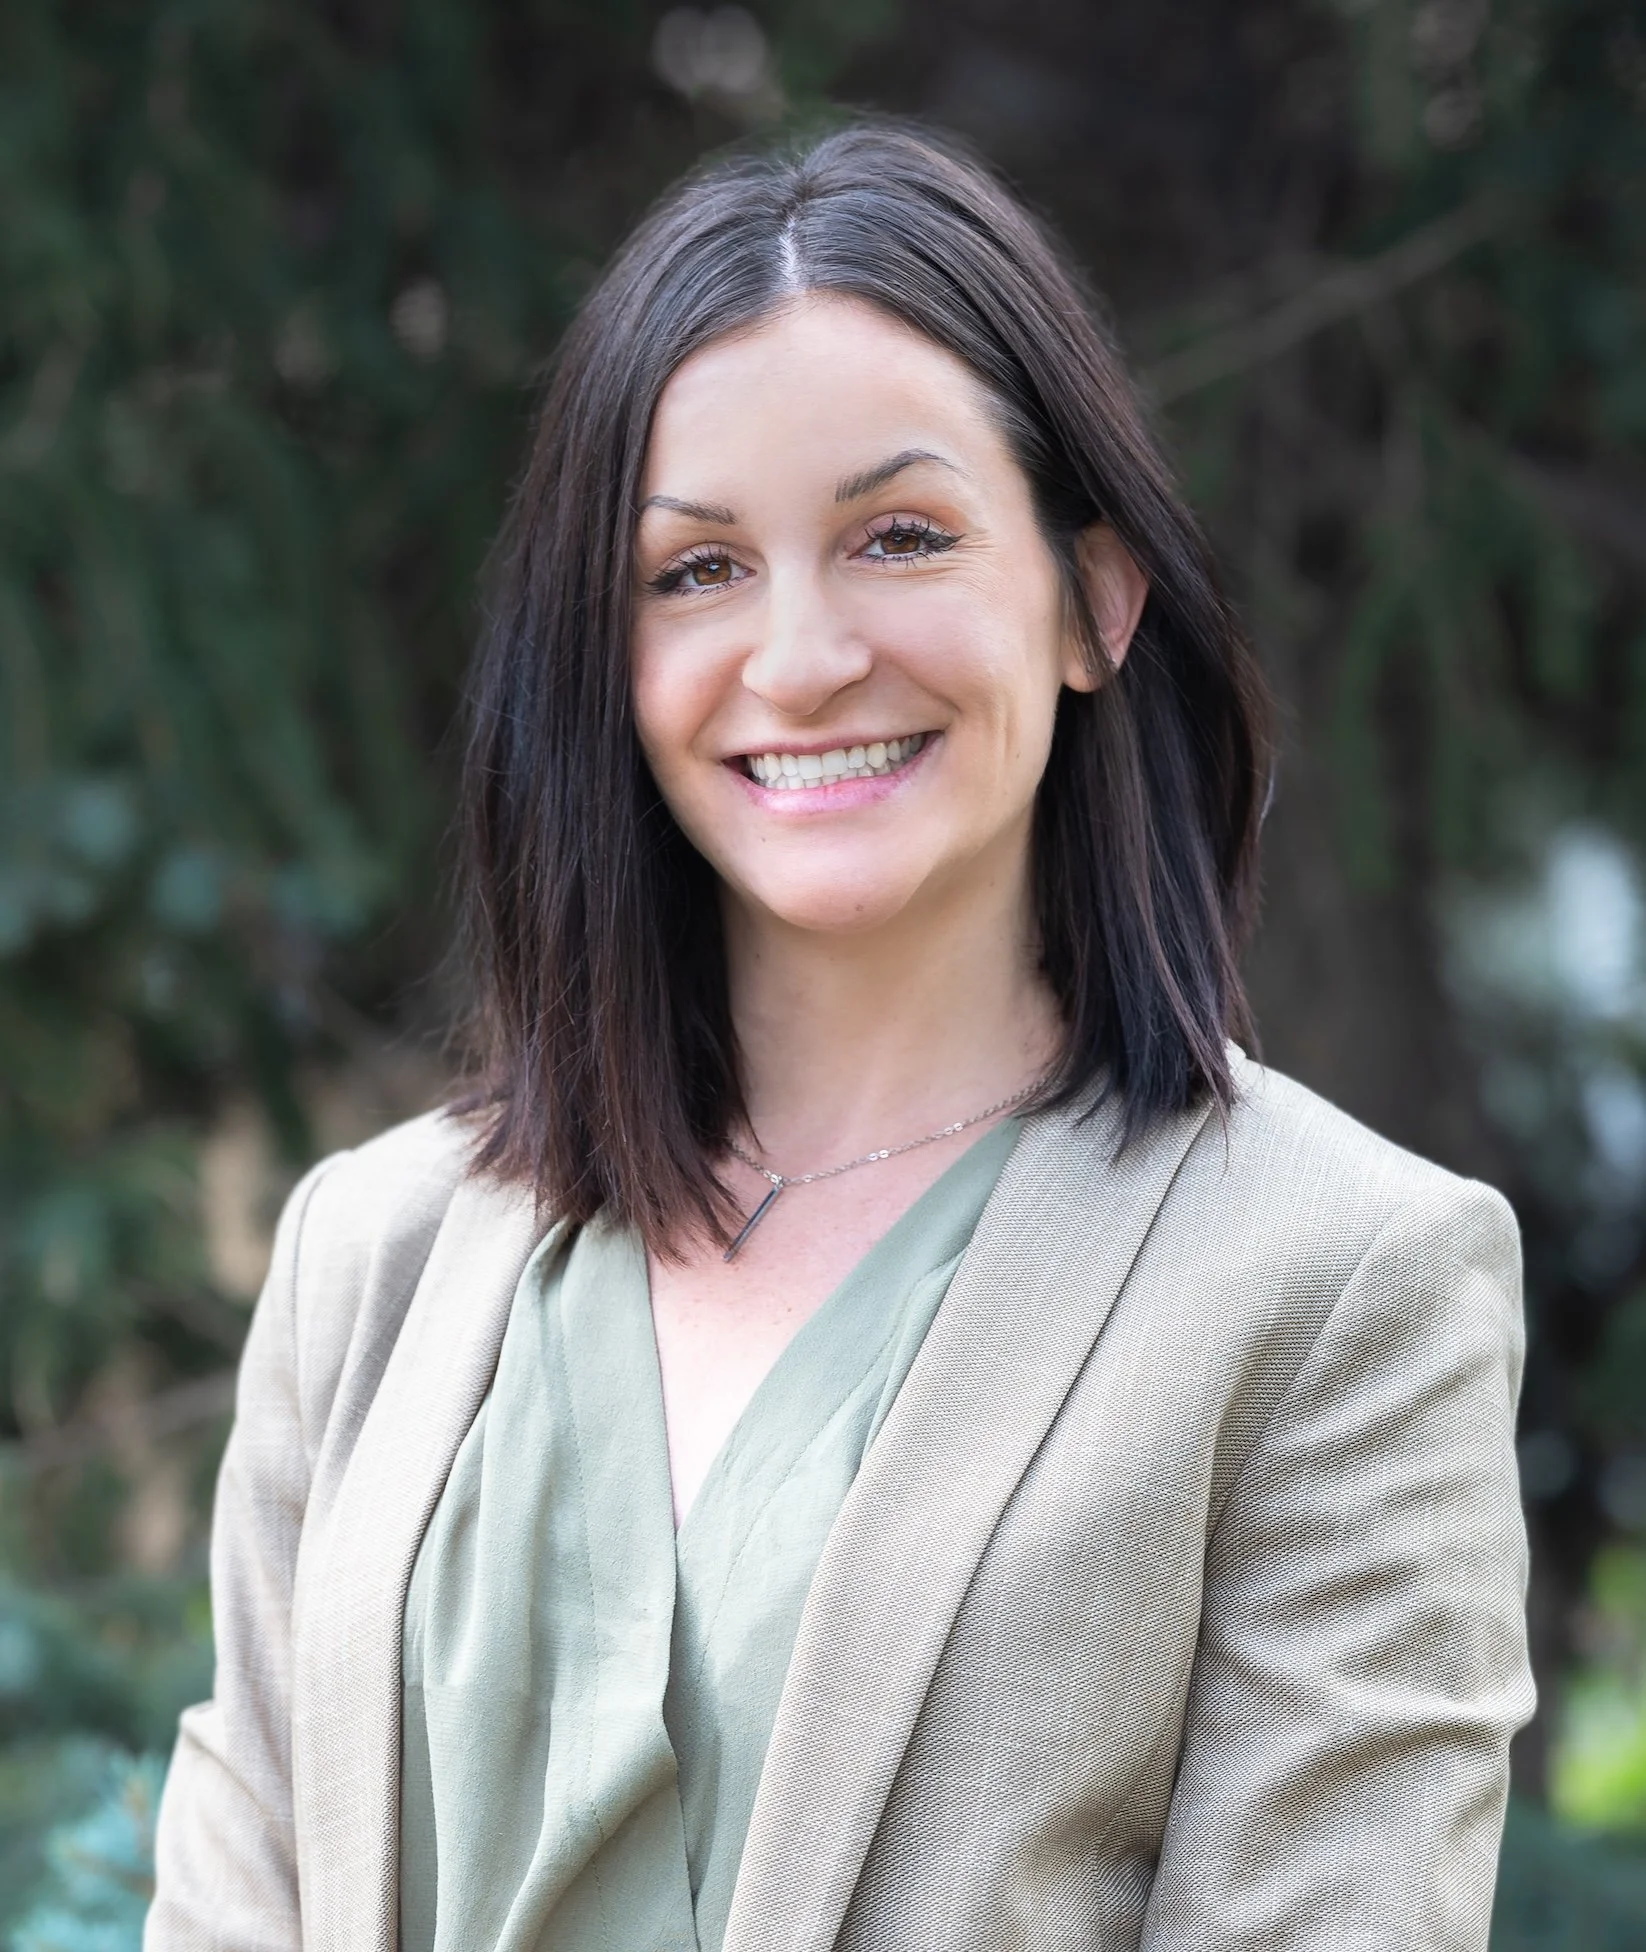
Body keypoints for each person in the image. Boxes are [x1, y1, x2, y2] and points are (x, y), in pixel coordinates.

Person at [146, 123, 1534, 1952]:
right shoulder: (371, 1260)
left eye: (898, 537)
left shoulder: (1338, 1285)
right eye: (696, 570)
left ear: (1090, 602)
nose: (798, 660)